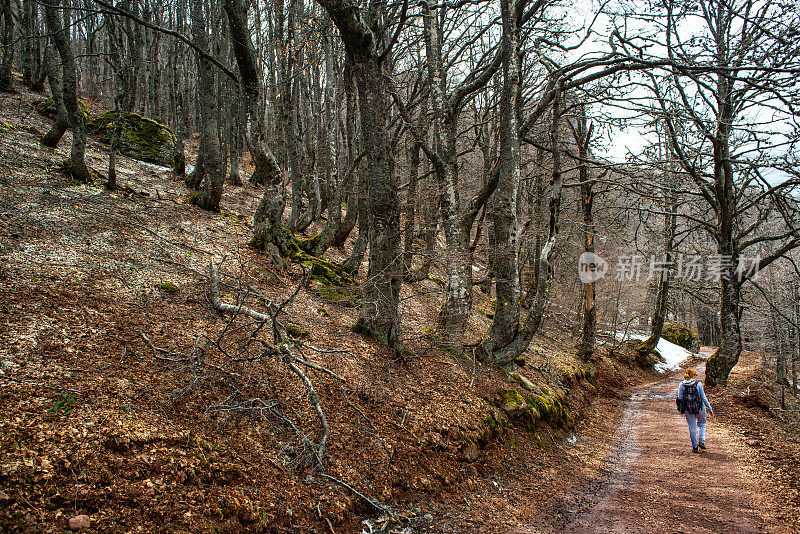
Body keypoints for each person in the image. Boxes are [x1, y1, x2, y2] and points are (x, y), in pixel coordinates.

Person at [677, 368, 714, 453]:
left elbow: (680, 397)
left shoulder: (681, 385)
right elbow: (703, 397)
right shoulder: (698, 384)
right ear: (693, 375)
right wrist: (709, 408)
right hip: (700, 407)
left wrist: (681, 407)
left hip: (688, 409)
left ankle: (694, 446)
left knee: (692, 426)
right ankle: (701, 441)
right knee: (702, 424)